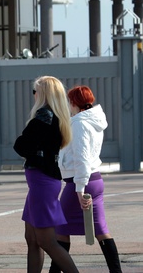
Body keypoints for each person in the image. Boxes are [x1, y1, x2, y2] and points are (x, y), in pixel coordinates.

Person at [50, 86, 122, 273]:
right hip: (95, 180)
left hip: (80, 183)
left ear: (73, 102)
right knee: (101, 231)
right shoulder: (93, 121)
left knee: (61, 230)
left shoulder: (79, 124)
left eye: (69, 101)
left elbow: (82, 157)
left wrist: (80, 189)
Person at [13, 76, 78, 273]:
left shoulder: (45, 115)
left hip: (42, 182)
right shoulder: (53, 116)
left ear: (44, 94)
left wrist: (33, 152)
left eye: (36, 91)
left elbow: (21, 145)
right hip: (40, 183)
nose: (34, 95)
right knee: (32, 239)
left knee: (46, 241)